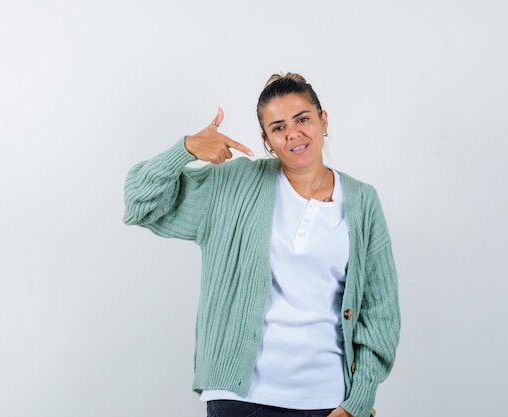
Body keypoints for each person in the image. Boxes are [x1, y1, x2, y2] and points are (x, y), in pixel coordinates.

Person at [122, 72, 400, 417]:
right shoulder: (234, 185)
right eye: (278, 127)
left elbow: (380, 310)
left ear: (323, 120)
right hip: (240, 398)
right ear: (267, 139)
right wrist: (186, 149)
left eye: (303, 119)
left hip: (329, 400)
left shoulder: (362, 200)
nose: (293, 134)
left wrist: (357, 401)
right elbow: (138, 203)